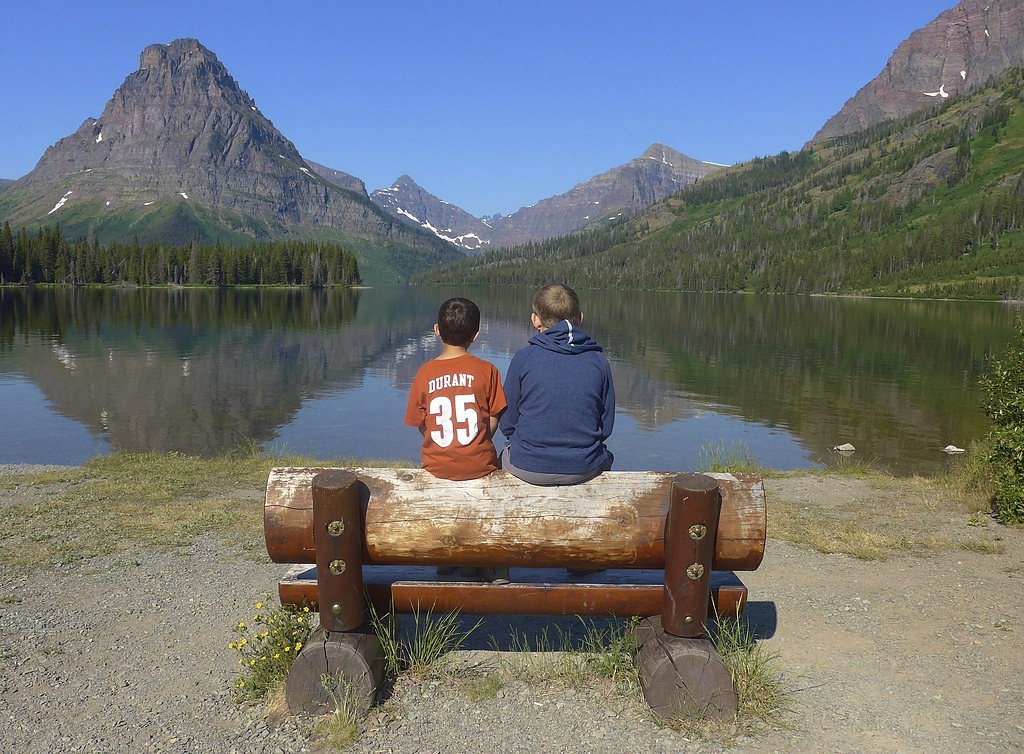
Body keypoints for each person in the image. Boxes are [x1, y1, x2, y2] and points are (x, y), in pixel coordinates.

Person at [499, 283, 615, 486]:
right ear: (580, 318)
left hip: (527, 466)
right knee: (607, 456)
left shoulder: (524, 358)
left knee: (503, 454)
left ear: (535, 320)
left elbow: (507, 422)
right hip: (583, 468)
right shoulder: (598, 361)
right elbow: (605, 427)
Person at [405, 297, 507, 481]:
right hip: (481, 465)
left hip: (436, 467)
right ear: (476, 335)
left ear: (437, 330)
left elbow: (419, 422)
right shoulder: (488, 370)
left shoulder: (424, 373)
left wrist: (438, 438)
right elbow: (494, 417)